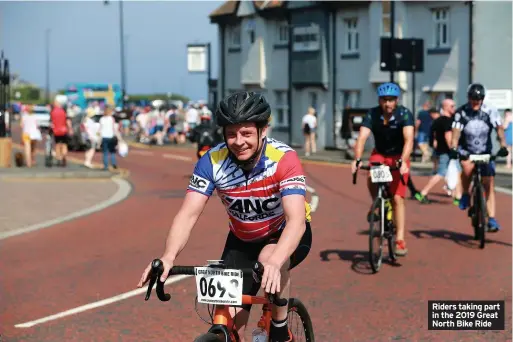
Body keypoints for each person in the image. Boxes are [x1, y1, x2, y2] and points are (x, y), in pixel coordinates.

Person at [138, 91, 312, 342]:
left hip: (283, 233)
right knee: (231, 322)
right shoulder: (212, 161)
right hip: (241, 239)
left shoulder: (284, 159)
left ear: (263, 131)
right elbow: (188, 214)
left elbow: (295, 221)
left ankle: (280, 325)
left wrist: (276, 261)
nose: (238, 141)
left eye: (247, 133)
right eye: (231, 134)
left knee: (268, 258)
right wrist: (168, 256)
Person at [351, 82, 414, 256]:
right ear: (379, 100)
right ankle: (376, 203)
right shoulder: (372, 114)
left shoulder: (404, 114)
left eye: (391, 100)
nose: (388, 104)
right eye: (384, 100)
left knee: (397, 198)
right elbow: (362, 137)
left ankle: (400, 239)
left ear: (397, 100)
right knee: (371, 174)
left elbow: (409, 139)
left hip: (398, 156)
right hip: (380, 154)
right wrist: (357, 159)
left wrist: (403, 161)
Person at [450, 83, 509, 232]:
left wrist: (503, 145)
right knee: (467, 167)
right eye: (473, 98)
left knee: (489, 184)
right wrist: (453, 147)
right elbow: (456, 131)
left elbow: (499, 129)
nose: (475, 102)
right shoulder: (461, 112)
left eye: (478, 99)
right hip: (467, 150)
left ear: (482, 99)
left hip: (484, 151)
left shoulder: (490, 110)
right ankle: (465, 194)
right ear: (468, 98)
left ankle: (492, 218)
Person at [416, 99, 462, 205]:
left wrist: (434, 146)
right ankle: (423, 192)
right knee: (441, 173)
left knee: (458, 171)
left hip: (440, 150)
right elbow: (448, 136)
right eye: (452, 106)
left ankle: (458, 196)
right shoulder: (448, 121)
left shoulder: (437, 120)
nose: (454, 108)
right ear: (445, 107)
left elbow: (433, 136)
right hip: (448, 151)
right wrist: (453, 149)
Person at [50, 94, 72, 167]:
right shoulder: (64, 111)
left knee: (57, 144)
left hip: (56, 131)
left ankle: (59, 158)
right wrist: (70, 129)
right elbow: (68, 121)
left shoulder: (53, 112)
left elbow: (51, 122)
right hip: (64, 130)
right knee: (64, 144)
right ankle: (64, 156)